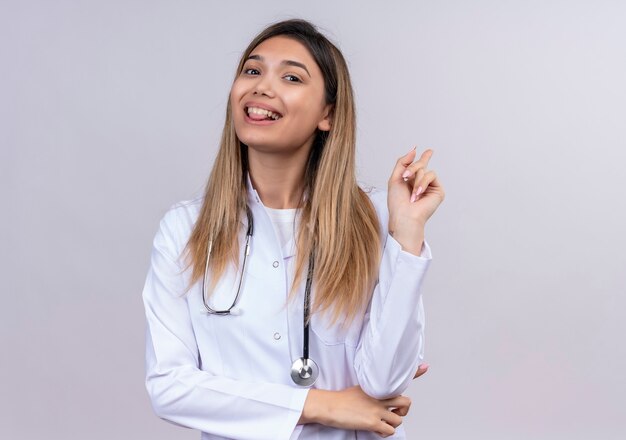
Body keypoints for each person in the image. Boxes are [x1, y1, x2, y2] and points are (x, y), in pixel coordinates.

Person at [142, 18, 444, 440]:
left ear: (328, 114)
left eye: (290, 76)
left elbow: (385, 382)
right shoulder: (186, 229)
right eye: (252, 70)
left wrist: (407, 234)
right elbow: (170, 387)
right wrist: (323, 405)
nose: (262, 87)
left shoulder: (375, 218)